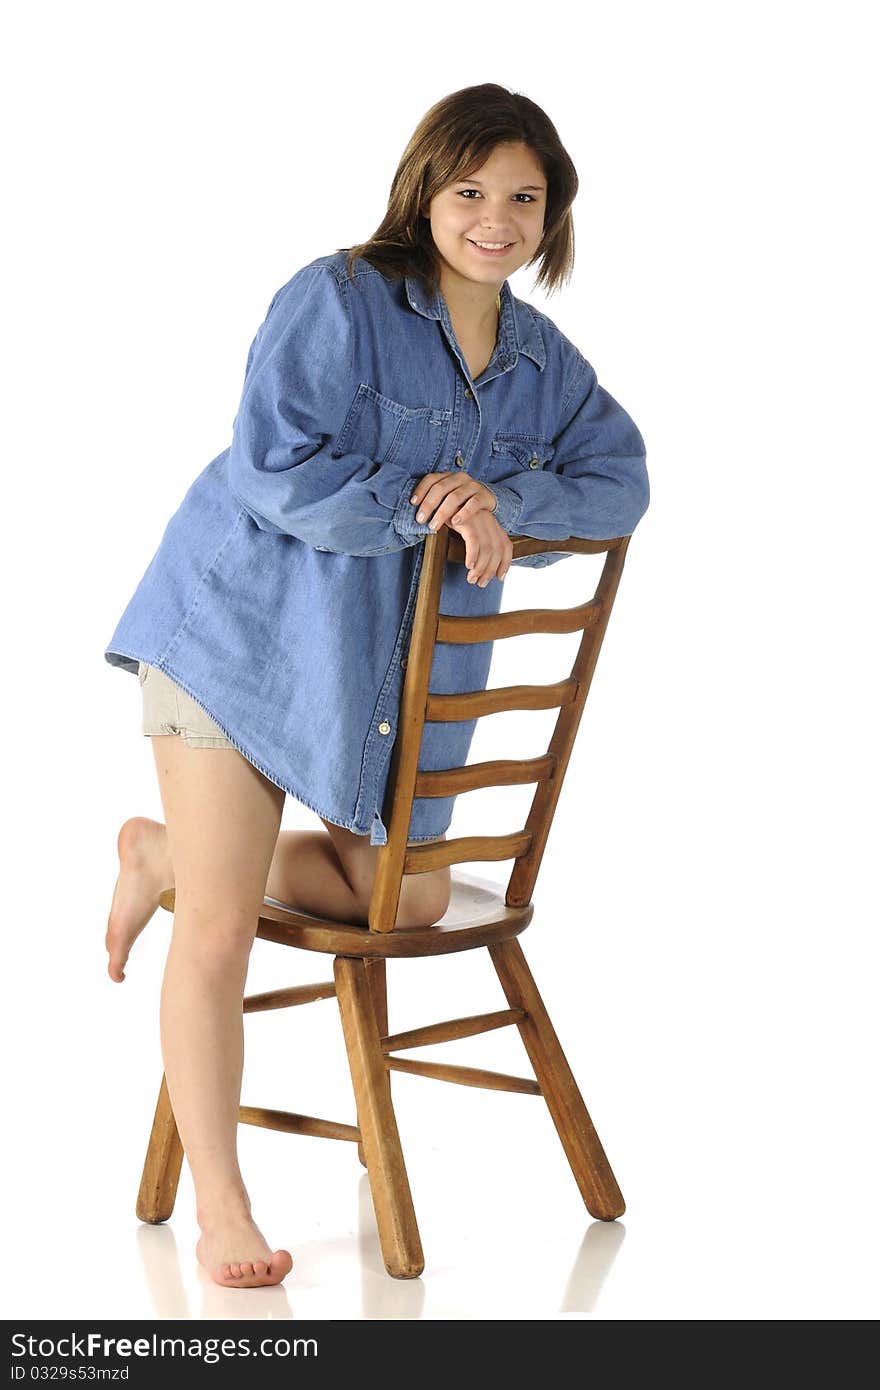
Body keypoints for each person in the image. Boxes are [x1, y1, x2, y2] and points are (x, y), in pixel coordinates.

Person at [103, 82, 650, 1289]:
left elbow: (620, 481)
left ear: (552, 215)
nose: (494, 218)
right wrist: (431, 505)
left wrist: (505, 497)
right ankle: (224, 1209)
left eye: (524, 197)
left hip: (378, 680)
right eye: (470, 191)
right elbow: (275, 465)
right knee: (221, 932)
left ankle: (165, 855)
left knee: (398, 900)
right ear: (425, 191)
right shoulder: (340, 298)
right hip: (238, 634)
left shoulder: (542, 364)